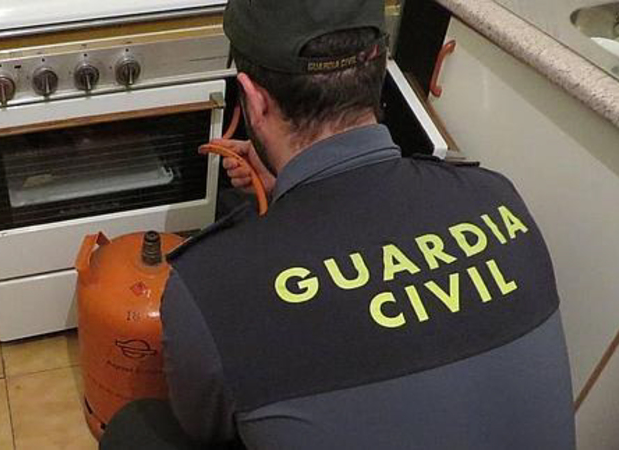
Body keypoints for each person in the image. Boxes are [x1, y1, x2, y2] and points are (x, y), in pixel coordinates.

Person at [99, 0, 576, 449]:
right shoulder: (496, 197)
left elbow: (205, 428)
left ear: (254, 100)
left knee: (137, 429)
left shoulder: (211, 286)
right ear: (378, 72)